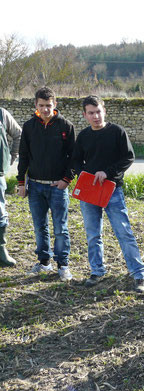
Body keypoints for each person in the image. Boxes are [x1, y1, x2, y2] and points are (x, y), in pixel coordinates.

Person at [72, 95, 144, 293]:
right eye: (91, 113)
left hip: (112, 190)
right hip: (90, 192)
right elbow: (75, 162)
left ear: (104, 111)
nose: (96, 116)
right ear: (85, 115)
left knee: (123, 232)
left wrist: (108, 172)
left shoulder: (117, 132)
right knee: (92, 234)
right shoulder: (83, 136)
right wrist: (85, 176)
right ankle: (97, 270)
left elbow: (128, 157)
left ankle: (139, 274)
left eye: (98, 111)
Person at [16, 87, 75, 280]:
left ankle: (63, 265)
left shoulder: (65, 126)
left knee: (60, 228)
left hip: (57, 187)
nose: (45, 109)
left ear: (55, 104)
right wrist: (21, 182)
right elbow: (23, 156)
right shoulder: (29, 126)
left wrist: (66, 180)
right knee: (39, 226)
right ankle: (44, 262)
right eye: (41, 106)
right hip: (34, 186)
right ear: (35, 105)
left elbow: (73, 158)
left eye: (48, 105)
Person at [0, 106, 21, 267]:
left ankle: (1, 249)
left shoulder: (2, 114)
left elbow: (18, 134)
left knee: (0, 213)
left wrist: (12, 156)